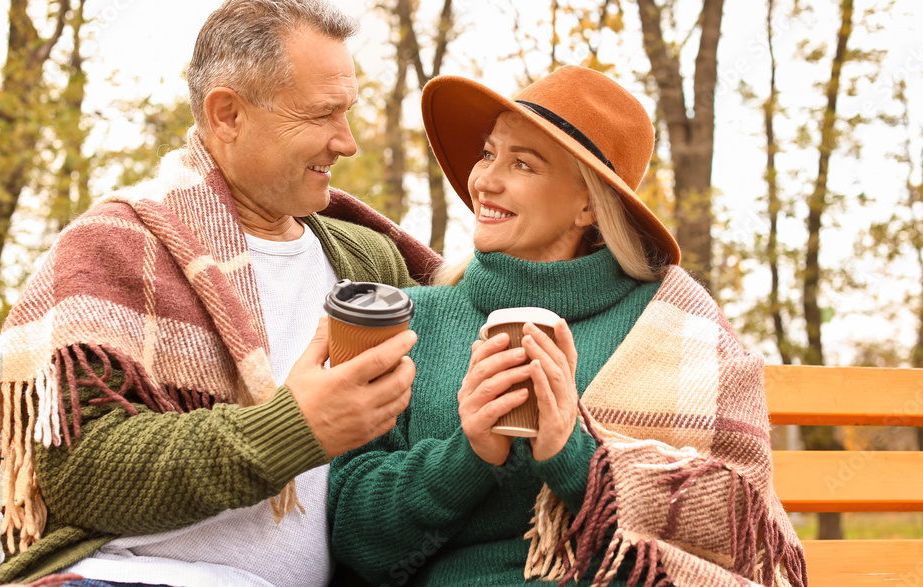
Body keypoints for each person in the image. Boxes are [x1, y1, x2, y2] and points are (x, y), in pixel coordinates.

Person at [0, 0, 440, 587]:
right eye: (322, 113)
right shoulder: (118, 244)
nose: (347, 140)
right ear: (228, 115)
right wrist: (292, 429)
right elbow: (77, 473)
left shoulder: (366, 259)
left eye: (347, 110)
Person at [328, 66, 807, 586]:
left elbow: (734, 527)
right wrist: (468, 456)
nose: (484, 180)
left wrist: (573, 455)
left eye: (523, 164)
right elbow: (357, 538)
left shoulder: (671, 324)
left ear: (588, 205)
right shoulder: (415, 320)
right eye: (488, 153)